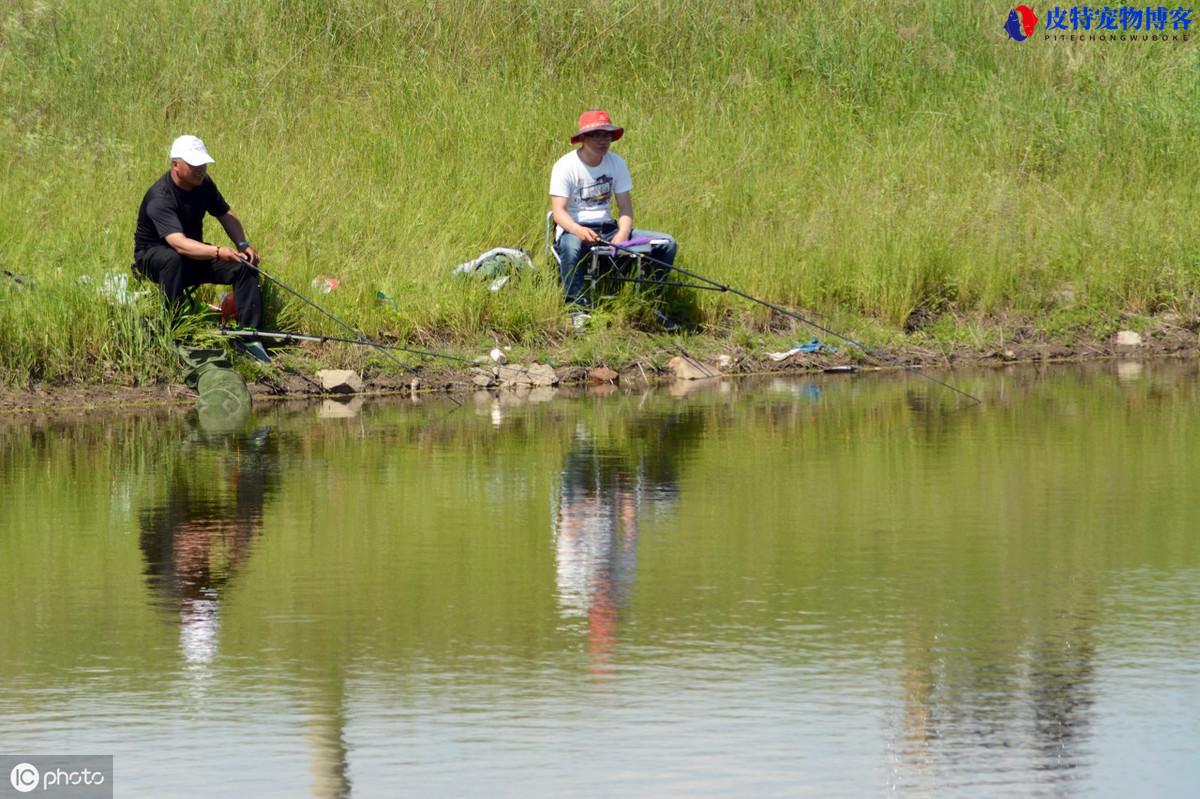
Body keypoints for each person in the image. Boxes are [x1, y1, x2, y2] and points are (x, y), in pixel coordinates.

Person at [549, 109, 677, 315]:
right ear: (583, 138)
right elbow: (558, 212)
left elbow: (625, 209)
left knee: (667, 244)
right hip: (574, 229)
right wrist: (578, 230)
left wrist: (622, 234)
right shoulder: (565, 166)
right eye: (596, 135)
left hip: (608, 228)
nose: (603, 141)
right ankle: (576, 308)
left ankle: (649, 302)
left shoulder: (617, 163)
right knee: (571, 246)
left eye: (607, 135)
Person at [133, 135, 263, 329]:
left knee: (245, 265)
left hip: (192, 256)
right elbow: (179, 244)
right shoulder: (160, 197)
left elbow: (225, 214)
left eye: (203, 163)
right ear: (175, 164)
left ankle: (250, 335)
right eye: (195, 164)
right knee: (172, 259)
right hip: (154, 260)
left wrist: (243, 245)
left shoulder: (204, 184)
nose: (201, 170)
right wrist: (218, 251)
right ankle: (173, 328)